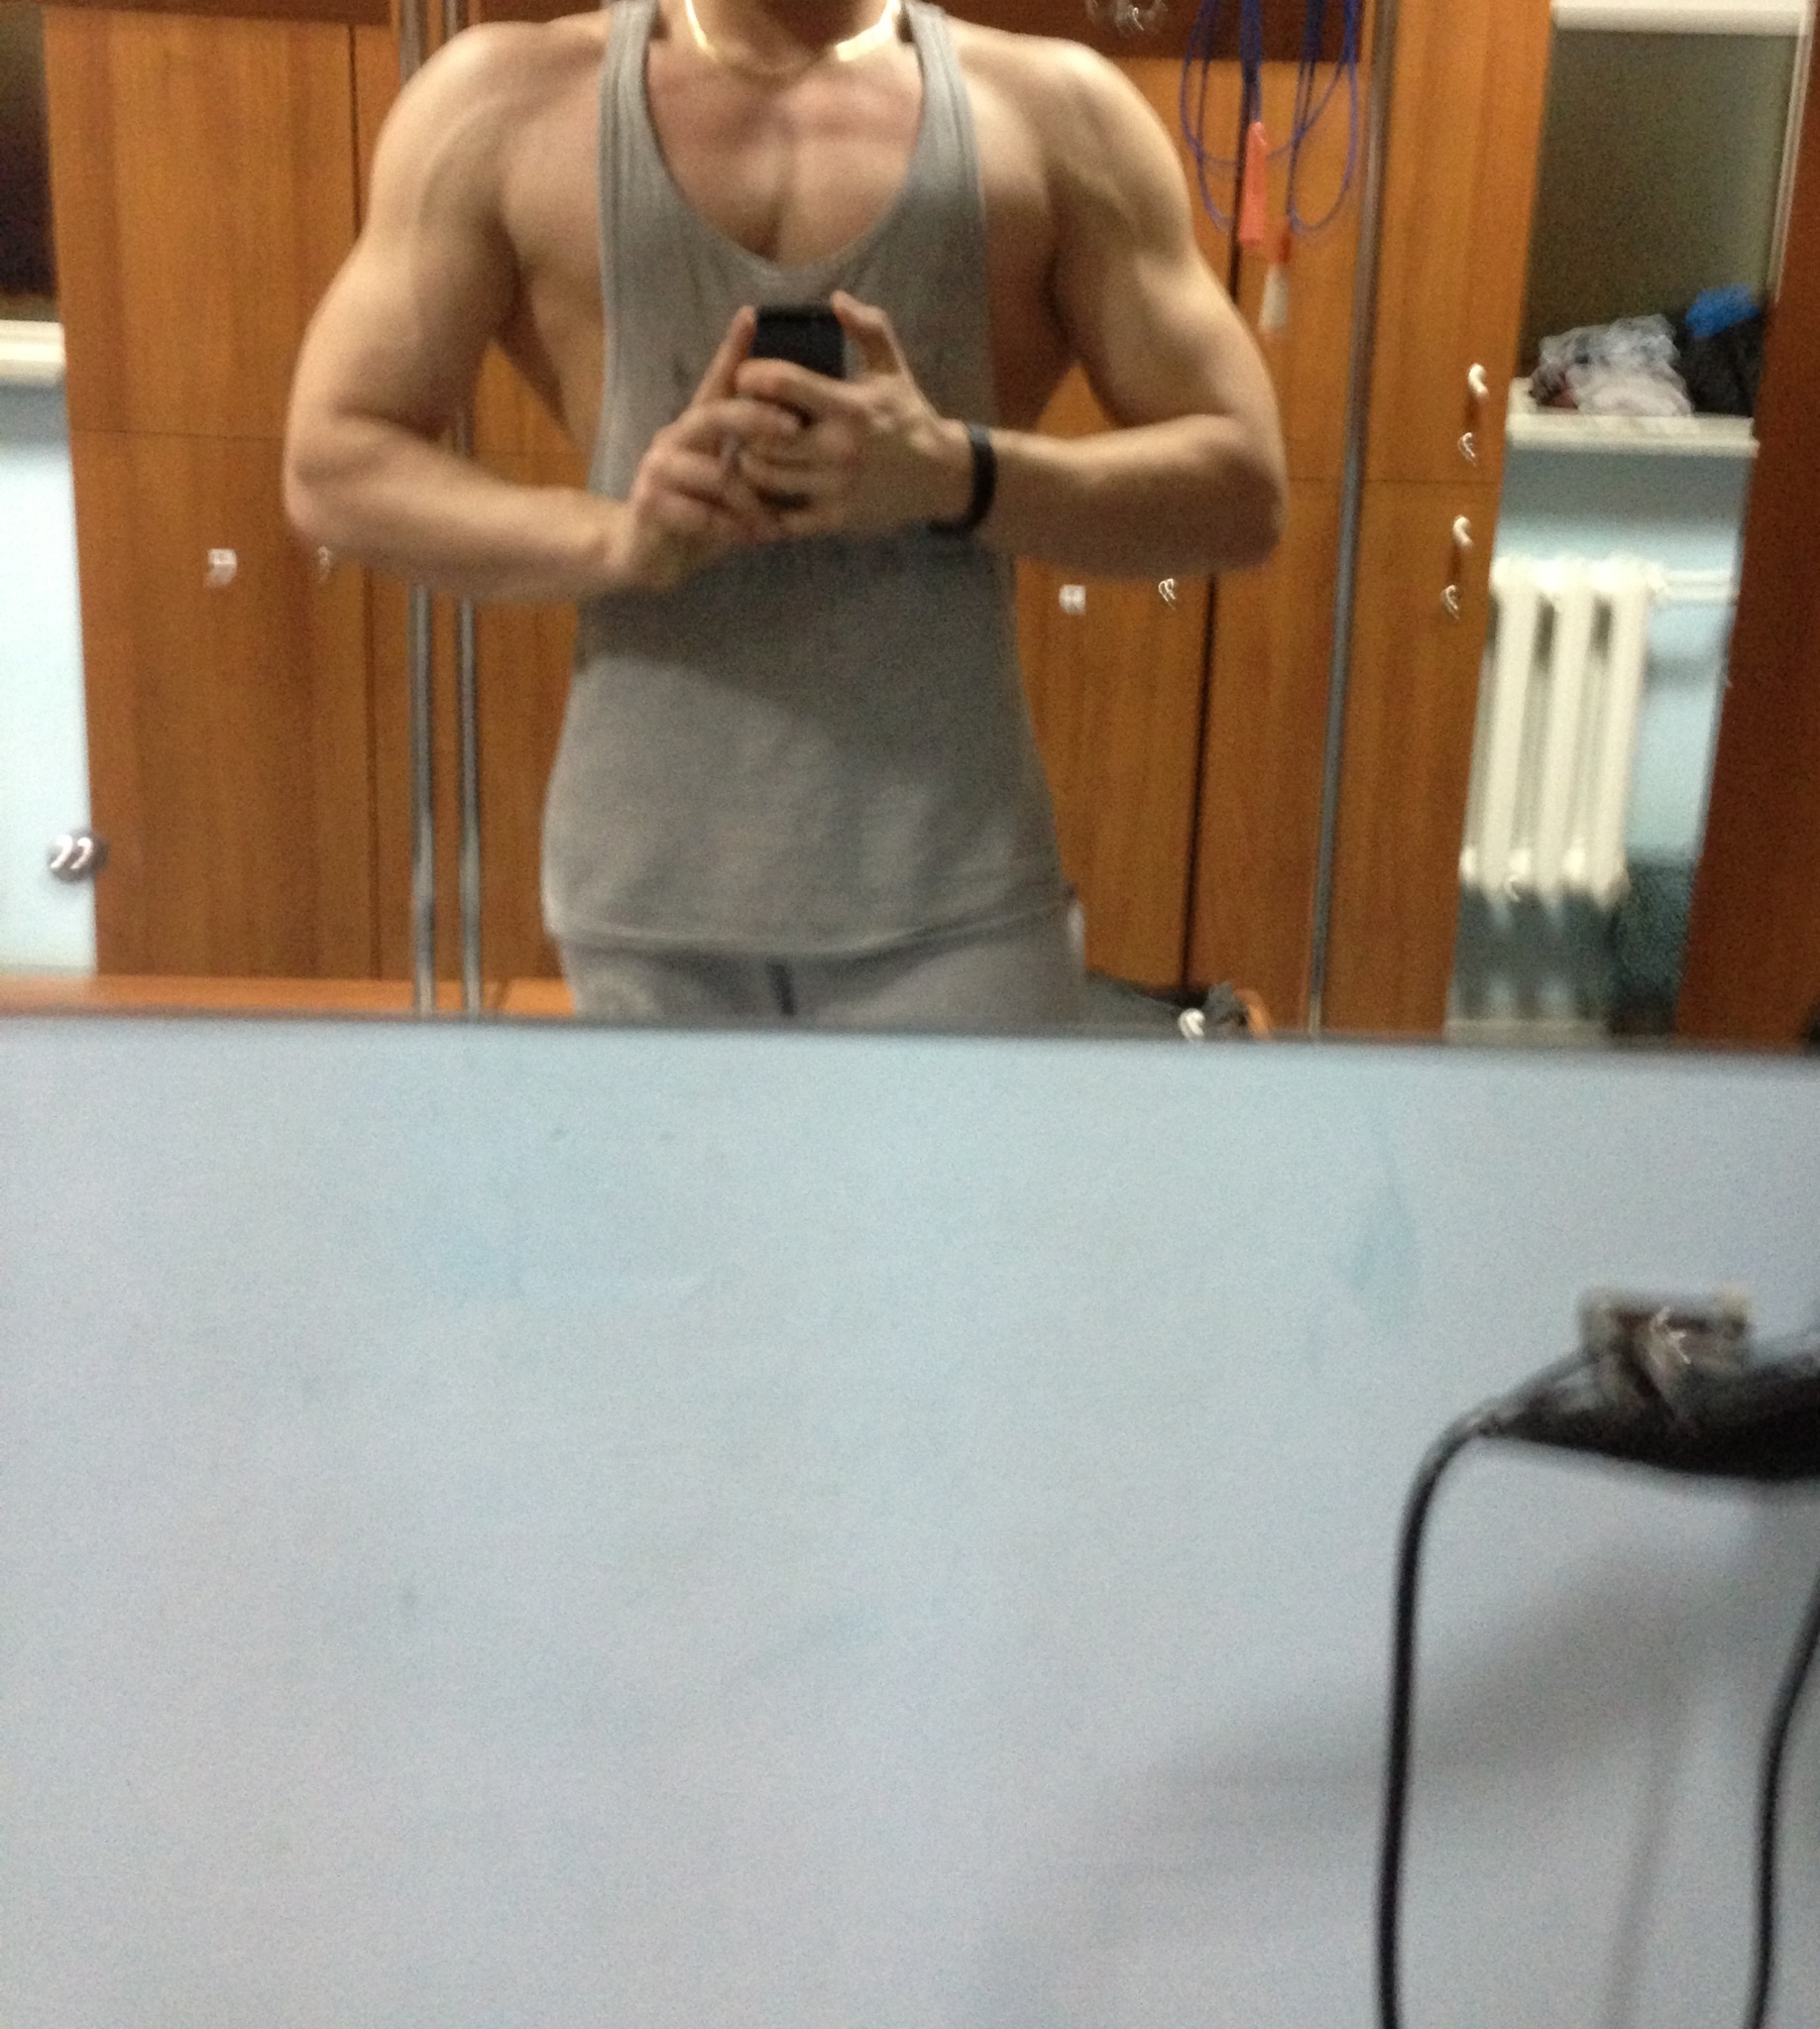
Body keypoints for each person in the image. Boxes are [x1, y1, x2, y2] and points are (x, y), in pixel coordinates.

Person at [283, 0, 1287, 1028]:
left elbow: (1245, 486)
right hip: (651, 899)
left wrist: (957, 472)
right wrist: (618, 538)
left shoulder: (1057, 115)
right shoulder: (504, 101)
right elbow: (332, 462)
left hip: (953, 902)